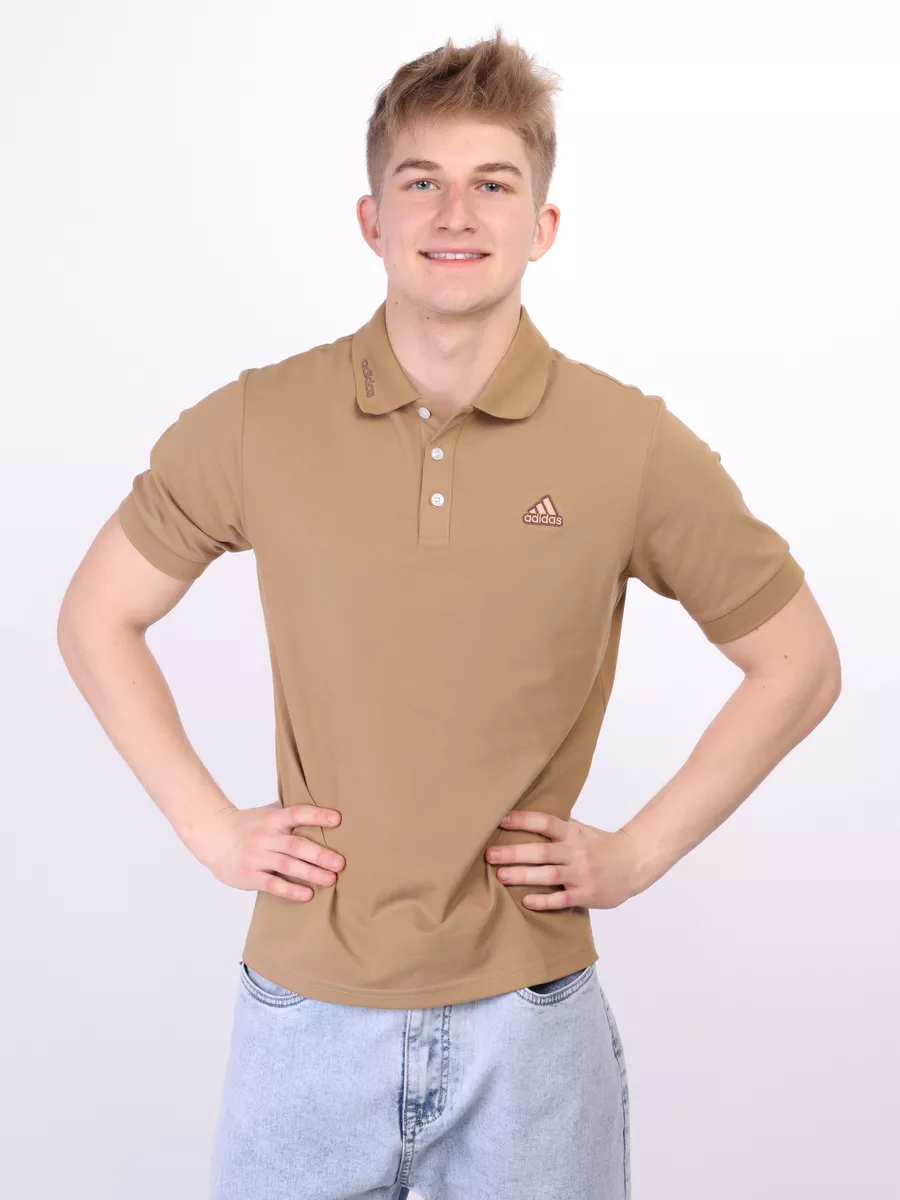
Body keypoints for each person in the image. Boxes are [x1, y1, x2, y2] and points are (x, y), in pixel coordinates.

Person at [56, 25, 841, 1200]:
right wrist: (208, 826)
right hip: (304, 1017)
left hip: (532, 1027)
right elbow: (95, 615)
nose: (456, 214)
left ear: (544, 225)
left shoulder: (629, 444)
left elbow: (800, 663)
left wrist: (635, 853)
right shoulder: (259, 422)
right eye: (421, 182)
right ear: (371, 218)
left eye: (494, 184)